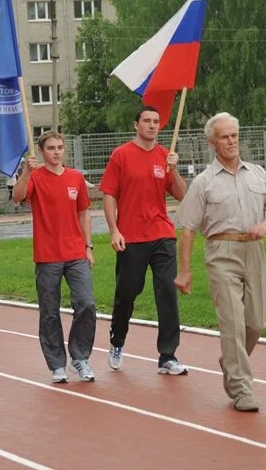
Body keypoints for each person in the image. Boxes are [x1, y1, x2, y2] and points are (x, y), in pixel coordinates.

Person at [175, 112, 266, 412]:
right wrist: (183, 272)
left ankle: (230, 359)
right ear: (213, 143)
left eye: (234, 135)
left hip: (254, 250)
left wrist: (264, 226)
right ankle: (241, 389)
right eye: (224, 136)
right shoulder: (203, 182)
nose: (231, 141)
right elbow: (187, 230)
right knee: (233, 323)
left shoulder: (257, 173)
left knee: (256, 321)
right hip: (221, 252)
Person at [99, 105, 188, 375]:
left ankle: (168, 355)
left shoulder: (165, 157)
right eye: (147, 121)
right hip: (132, 236)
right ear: (136, 125)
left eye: (156, 121)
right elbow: (109, 195)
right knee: (127, 292)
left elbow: (183, 195)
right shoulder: (121, 155)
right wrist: (114, 229)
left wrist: (174, 170)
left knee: (167, 292)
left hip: (162, 235)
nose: (152, 125)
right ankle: (117, 339)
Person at [12, 131, 97, 383]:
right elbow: (17, 197)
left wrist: (88, 246)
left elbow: (84, 213)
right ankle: (57, 364)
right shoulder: (35, 177)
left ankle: (80, 358)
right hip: (48, 255)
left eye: (60, 147)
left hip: (75, 253)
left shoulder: (75, 178)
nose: (57, 151)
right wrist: (26, 172)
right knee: (49, 311)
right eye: (51, 148)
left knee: (86, 303)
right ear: (41, 151)